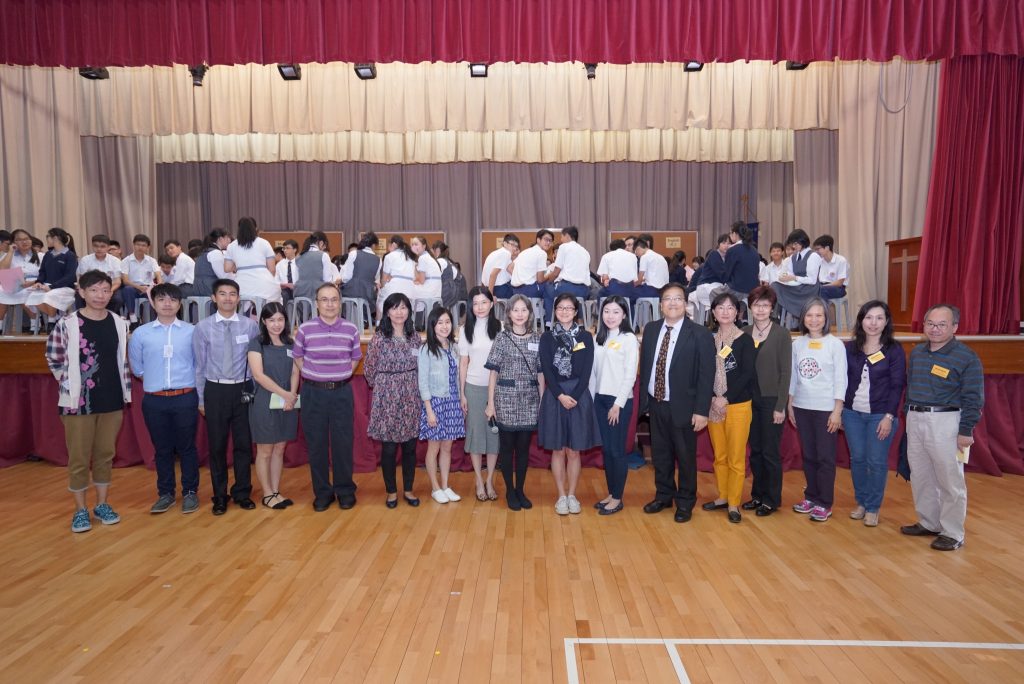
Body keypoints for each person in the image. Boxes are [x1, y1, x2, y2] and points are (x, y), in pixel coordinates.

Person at [45, 270, 131, 533]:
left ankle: (102, 504)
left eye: (105, 290)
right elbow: (54, 358)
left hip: (112, 399)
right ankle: (80, 510)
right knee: (79, 458)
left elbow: (121, 360)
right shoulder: (67, 323)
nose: (100, 295)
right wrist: (72, 384)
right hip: (77, 403)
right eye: (93, 290)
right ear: (81, 292)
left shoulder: (119, 322)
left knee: (105, 455)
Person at [900, 304, 984, 552]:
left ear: (954, 327)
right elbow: (910, 387)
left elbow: (973, 398)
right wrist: (908, 416)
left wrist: (966, 431)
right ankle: (929, 522)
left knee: (949, 479)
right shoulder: (917, 353)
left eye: (941, 324)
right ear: (924, 325)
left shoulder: (966, 357)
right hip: (916, 419)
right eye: (930, 324)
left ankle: (952, 532)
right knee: (921, 475)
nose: (935, 329)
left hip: (946, 422)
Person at [638, 282, 715, 523]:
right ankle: (663, 495)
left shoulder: (700, 333)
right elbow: (647, 366)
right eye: (668, 299)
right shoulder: (650, 330)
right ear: (660, 305)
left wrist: (702, 410)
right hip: (656, 403)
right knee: (660, 455)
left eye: (678, 298)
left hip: (684, 406)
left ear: (686, 303)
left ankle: (685, 501)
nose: (672, 303)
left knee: (685, 456)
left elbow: (706, 375)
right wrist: (646, 402)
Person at [127, 282, 200, 515]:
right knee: (162, 449)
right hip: (155, 400)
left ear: (180, 304)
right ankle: (165, 493)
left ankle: (190, 492)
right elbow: (137, 369)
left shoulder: (192, 331)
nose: (167, 304)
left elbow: (199, 364)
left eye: (172, 300)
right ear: (154, 303)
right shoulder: (141, 333)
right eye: (162, 299)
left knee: (187, 447)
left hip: (185, 397)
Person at [193, 278, 260, 515]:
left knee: (243, 445)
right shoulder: (202, 327)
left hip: (242, 390)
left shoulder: (250, 326)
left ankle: (242, 492)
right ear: (214, 298)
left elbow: (254, 363)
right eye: (223, 294)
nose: (228, 298)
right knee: (217, 446)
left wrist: (254, 392)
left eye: (233, 294)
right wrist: (201, 399)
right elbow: (199, 366)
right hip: (216, 390)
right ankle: (219, 495)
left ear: (238, 298)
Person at [294, 283, 363, 511]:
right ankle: (322, 492)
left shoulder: (351, 329)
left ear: (340, 302)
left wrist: (339, 375)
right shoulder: (305, 329)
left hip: (342, 392)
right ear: (317, 303)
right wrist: (314, 375)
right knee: (317, 444)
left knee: (343, 443)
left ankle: (345, 490)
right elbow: (298, 358)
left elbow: (354, 360)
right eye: (324, 299)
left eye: (334, 299)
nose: (330, 304)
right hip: (313, 392)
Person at [842, 300, 906, 527]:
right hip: (851, 414)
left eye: (879, 318)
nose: (873, 323)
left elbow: (897, 386)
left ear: (886, 321)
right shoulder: (850, 348)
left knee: (876, 461)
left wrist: (889, 416)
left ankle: (873, 507)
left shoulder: (894, 350)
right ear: (861, 320)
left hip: (881, 414)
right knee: (858, 459)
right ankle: (861, 502)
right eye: (869, 317)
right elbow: (841, 380)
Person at [537, 293, 601, 514]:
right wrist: (560, 395)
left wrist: (573, 395)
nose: (564, 312)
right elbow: (546, 370)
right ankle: (560, 495)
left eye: (569, 308)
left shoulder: (585, 337)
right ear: (554, 312)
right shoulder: (547, 338)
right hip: (555, 396)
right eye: (560, 308)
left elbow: (586, 372)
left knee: (574, 451)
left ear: (576, 312)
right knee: (558, 450)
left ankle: (572, 494)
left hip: (578, 395)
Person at [788, 297, 848, 522]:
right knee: (809, 456)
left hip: (826, 409)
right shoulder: (797, 344)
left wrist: (837, 410)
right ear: (803, 317)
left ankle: (825, 502)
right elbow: (793, 376)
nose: (814, 320)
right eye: (810, 315)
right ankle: (811, 496)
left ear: (826, 318)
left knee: (825, 457)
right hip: (802, 406)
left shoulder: (835, 345)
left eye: (819, 315)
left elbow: (841, 379)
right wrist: (790, 403)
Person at [485, 294, 544, 510]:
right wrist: (490, 404)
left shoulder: (538, 338)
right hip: (505, 399)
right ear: (509, 313)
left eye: (524, 310)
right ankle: (510, 491)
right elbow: (493, 373)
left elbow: (540, 375)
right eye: (515, 310)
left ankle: (521, 489)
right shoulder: (502, 338)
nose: (520, 314)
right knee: (507, 448)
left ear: (530, 313)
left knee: (524, 449)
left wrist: (542, 401)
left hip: (529, 400)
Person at [701, 292, 756, 523]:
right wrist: (713, 398)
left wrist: (727, 397)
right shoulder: (708, 339)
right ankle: (722, 496)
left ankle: (734, 502)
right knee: (720, 456)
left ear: (738, 313)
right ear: (713, 312)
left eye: (730, 307)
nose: (725, 311)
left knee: (735, 458)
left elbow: (747, 374)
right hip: (713, 405)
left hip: (738, 406)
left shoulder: (744, 340)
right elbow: (703, 372)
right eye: (720, 307)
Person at [364, 293, 421, 508]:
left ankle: (408, 489)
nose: (399, 312)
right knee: (388, 449)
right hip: (386, 396)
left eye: (404, 307)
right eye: (395, 308)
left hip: (410, 396)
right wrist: (385, 386)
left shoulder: (414, 336)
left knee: (409, 447)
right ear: (387, 311)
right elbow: (369, 369)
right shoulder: (379, 337)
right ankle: (391, 491)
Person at [741, 285, 791, 516]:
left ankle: (771, 499)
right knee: (756, 450)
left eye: (765, 305)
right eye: (756, 305)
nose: (760, 309)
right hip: (749, 400)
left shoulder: (781, 334)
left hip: (772, 400)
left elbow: (785, 373)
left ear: (772, 308)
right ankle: (757, 495)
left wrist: (781, 406)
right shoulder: (745, 331)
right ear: (750, 307)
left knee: (770, 452)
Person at [247, 302, 300, 510]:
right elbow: (258, 375)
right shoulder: (256, 343)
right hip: (265, 401)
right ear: (263, 321)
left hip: (288, 402)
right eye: (271, 320)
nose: (276, 324)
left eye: (280, 319)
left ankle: (276, 491)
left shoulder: (291, 343)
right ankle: (267, 493)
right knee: (265, 449)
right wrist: (286, 394)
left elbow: (296, 371)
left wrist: (292, 395)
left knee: (280, 448)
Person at [590, 296, 638, 515]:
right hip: (600, 400)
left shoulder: (628, 339)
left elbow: (630, 375)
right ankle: (611, 493)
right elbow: (594, 374)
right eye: (607, 311)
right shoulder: (599, 338)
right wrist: (592, 399)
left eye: (616, 312)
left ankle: (618, 498)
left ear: (624, 315)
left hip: (618, 402)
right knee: (607, 451)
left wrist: (618, 404)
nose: (610, 316)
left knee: (617, 450)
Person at [418, 305, 466, 503]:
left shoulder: (454, 348)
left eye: (447, 322)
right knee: (434, 447)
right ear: (432, 325)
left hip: (453, 402)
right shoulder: (426, 349)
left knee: (447, 447)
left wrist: (462, 398)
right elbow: (423, 382)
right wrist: (429, 411)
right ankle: (435, 487)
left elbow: (458, 377)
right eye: (440, 323)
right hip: (436, 403)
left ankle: (445, 485)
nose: (444, 326)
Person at [458, 286, 502, 501]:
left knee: (494, 436)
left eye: (484, 302)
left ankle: (491, 479)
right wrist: (462, 394)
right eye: (475, 303)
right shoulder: (465, 329)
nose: (480, 307)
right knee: (475, 437)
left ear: (492, 303)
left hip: (498, 390)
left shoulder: (501, 327)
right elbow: (463, 364)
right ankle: (478, 479)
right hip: (473, 389)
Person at [224, 216, 282, 304]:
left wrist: (238, 264)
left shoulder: (232, 245)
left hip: (241, 286)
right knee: (275, 298)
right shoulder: (264, 242)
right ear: (256, 228)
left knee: (240, 302)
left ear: (239, 229)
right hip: (264, 285)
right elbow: (272, 269)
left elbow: (227, 268)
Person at [772, 229, 822, 327]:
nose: (794, 246)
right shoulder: (793, 257)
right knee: (774, 285)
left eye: (796, 243)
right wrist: (784, 278)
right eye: (792, 244)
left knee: (778, 289)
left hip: (809, 289)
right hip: (797, 286)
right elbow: (789, 274)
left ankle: (781, 319)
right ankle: (775, 317)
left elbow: (812, 280)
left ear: (802, 241)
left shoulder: (813, 256)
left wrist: (794, 277)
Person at [542, 227, 591, 326]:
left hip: (567, 288)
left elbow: (556, 272)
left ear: (567, 235)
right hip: (584, 291)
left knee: (547, 288)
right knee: (577, 300)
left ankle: (549, 322)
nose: (561, 240)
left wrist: (549, 281)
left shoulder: (564, 247)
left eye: (561, 236)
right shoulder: (586, 252)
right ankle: (580, 323)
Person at [0, 229, 42, 333]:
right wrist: (10, 251)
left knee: (24, 291)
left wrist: (32, 283)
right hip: (16, 283)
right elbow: (2, 271)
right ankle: (0, 324)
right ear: (13, 243)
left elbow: (46, 274)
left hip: (36, 283)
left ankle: (35, 322)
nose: (24, 242)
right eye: (19, 240)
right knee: (1, 291)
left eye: (27, 239)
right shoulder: (10, 255)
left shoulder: (41, 256)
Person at [32, 227, 79, 318]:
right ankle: (55, 317)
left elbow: (70, 277)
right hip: (48, 286)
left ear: (55, 238)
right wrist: (38, 282)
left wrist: (52, 287)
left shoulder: (70, 256)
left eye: (47, 236)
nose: (46, 239)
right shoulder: (48, 254)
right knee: (33, 297)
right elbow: (42, 272)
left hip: (65, 288)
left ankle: (51, 321)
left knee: (50, 296)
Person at [75, 234, 123, 312]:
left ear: (108, 247)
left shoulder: (115, 261)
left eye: (102, 246)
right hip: (90, 288)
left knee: (117, 299)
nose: (99, 249)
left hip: (109, 288)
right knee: (79, 296)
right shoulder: (85, 260)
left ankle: (108, 319)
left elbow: (117, 281)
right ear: (92, 246)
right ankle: (83, 320)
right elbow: (82, 280)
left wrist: (108, 291)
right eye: (96, 246)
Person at [121, 233, 161, 321]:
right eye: (138, 244)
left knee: (157, 293)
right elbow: (125, 280)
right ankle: (132, 316)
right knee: (127, 289)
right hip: (133, 287)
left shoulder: (152, 260)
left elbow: (158, 275)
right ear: (133, 245)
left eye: (143, 245)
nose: (140, 247)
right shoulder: (126, 261)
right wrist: (139, 287)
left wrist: (160, 285)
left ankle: (154, 320)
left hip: (148, 288)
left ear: (148, 247)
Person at [376, 235, 418, 318]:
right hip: (410, 290)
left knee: (379, 300)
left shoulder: (389, 256)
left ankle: (379, 325)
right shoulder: (411, 256)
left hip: (394, 289)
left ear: (394, 244)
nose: (388, 248)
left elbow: (384, 279)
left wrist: (381, 287)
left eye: (389, 245)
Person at [722, 222, 761, 302]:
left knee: (713, 293)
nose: (730, 235)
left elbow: (727, 274)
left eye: (730, 233)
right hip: (753, 291)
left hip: (737, 290)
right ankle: (741, 311)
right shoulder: (754, 250)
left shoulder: (732, 250)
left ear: (735, 234)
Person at [510, 229, 555, 299]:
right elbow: (540, 279)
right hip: (529, 290)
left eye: (550, 241)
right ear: (538, 240)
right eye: (546, 239)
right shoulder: (542, 253)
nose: (548, 243)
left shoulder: (525, 251)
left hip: (515, 290)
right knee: (550, 289)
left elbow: (510, 268)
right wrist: (550, 274)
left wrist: (522, 277)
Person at [293, 231, 337, 302]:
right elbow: (327, 280)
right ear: (321, 243)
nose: (324, 248)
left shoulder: (298, 257)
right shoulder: (324, 255)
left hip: (299, 295)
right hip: (318, 294)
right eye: (325, 246)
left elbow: (295, 280)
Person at [691, 235, 730, 311]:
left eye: (728, 243)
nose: (726, 246)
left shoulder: (728, 257)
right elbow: (722, 275)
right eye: (724, 243)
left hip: (715, 286)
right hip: (707, 286)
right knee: (727, 299)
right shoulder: (714, 254)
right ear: (719, 244)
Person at [340, 232, 381, 306]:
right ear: (374, 245)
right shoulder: (379, 260)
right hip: (368, 295)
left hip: (352, 292)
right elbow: (376, 278)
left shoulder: (354, 253)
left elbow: (347, 277)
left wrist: (342, 280)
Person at [191, 228, 231, 297]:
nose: (229, 241)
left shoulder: (205, 251)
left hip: (198, 287)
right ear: (220, 239)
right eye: (227, 238)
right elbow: (223, 276)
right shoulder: (215, 253)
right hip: (209, 288)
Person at [813, 234, 849, 305]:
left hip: (838, 288)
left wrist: (821, 287)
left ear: (827, 248)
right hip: (822, 286)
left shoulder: (841, 260)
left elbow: (839, 283)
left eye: (818, 249)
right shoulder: (819, 261)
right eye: (815, 249)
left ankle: (823, 314)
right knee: (807, 290)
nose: (816, 252)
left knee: (821, 291)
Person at [481, 234, 520, 299]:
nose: (514, 248)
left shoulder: (496, 253)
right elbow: (493, 274)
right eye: (512, 244)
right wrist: (490, 295)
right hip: (499, 289)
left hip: (489, 288)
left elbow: (508, 269)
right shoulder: (505, 253)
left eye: (516, 246)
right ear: (505, 243)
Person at [410, 235, 443, 305]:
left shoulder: (422, 258)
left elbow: (421, 281)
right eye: (412, 245)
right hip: (435, 292)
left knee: (407, 289)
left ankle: (416, 314)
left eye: (416, 244)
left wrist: (414, 280)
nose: (414, 247)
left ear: (424, 246)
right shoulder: (428, 257)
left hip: (429, 292)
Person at [275, 239, 299, 306]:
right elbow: (275, 281)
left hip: (298, 290)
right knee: (285, 294)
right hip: (284, 292)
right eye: (284, 248)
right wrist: (284, 285)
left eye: (287, 248)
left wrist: (295, 285)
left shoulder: (300, 263)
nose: (285, 250)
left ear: (295, 250)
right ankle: (286, 315)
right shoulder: (279, 265)